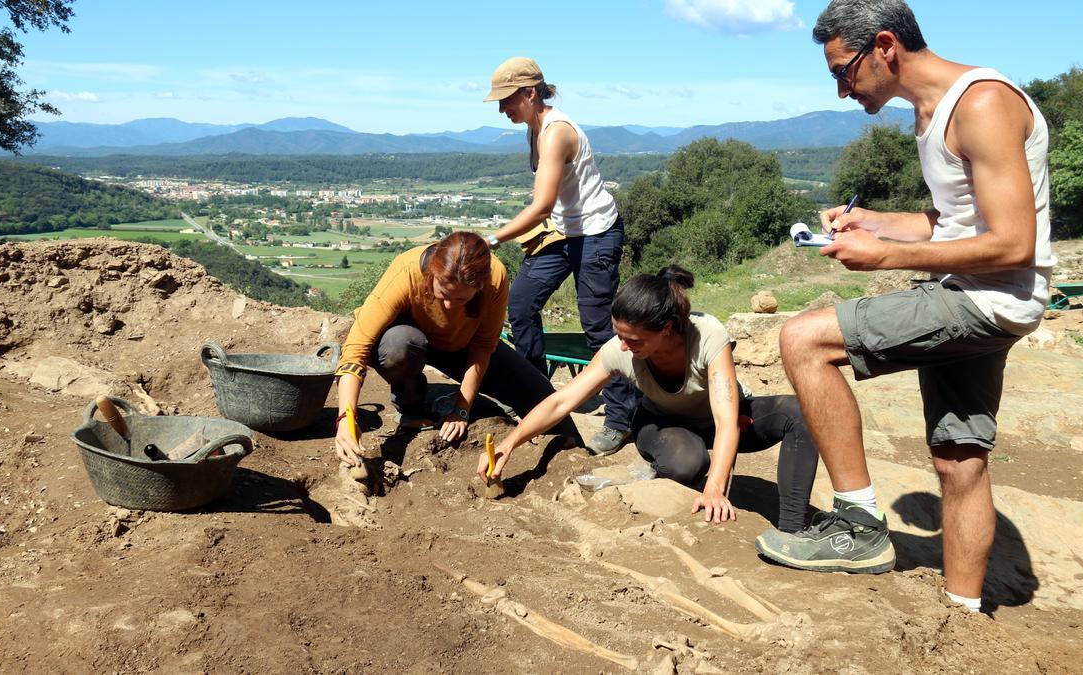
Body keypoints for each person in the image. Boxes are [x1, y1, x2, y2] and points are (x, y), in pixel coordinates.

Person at [756, 0, 1055, 613]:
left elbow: (1015, 243)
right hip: (980, 294)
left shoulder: (981, 104)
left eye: (844, 71)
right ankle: (963, 612)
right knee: (958, 460)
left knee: (803, 340)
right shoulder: (934, 112)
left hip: (988, 298)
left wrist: (884, 258)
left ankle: (860, 528)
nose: (841, 91)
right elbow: (955, 223)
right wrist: (876, 223)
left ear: (885, 46)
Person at [479, 266, 820, 533]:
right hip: (663, 423)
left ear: (668, 328)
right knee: (687, 463)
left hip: (723, 418)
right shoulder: (620, 350)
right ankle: (663, 467)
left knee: (799, 412)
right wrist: (511, 443)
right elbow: (561, 401)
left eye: (634, 339)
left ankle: (792, 528)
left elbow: (727, 420)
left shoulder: (708, 335)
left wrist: (715, 489)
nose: (624, 346)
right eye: (619, 335)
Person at [481, 56, 636, 457]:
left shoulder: (555, 133)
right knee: (520, 302)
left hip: (598, 233)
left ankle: (621, 419)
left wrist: (492, 240)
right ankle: (533, 394)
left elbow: (542, 205)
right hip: (565, 233)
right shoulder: (533, 129)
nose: (502, 109)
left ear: (531, 93)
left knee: (599, 327)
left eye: (508, 100)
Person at [332, 232, 581, 465]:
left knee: (540, 393)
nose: (450, 306)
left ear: (479, 286)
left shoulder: (494, 277)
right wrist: (346, 418)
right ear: (432, 274)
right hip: (408, 341)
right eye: (443, 294)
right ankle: (411, 405)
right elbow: (356, 348)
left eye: (461, 299)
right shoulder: (407, 270)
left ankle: (577, 456)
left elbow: (483, 348)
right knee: (401, 344)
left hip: (461, 344)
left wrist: (461, 409)